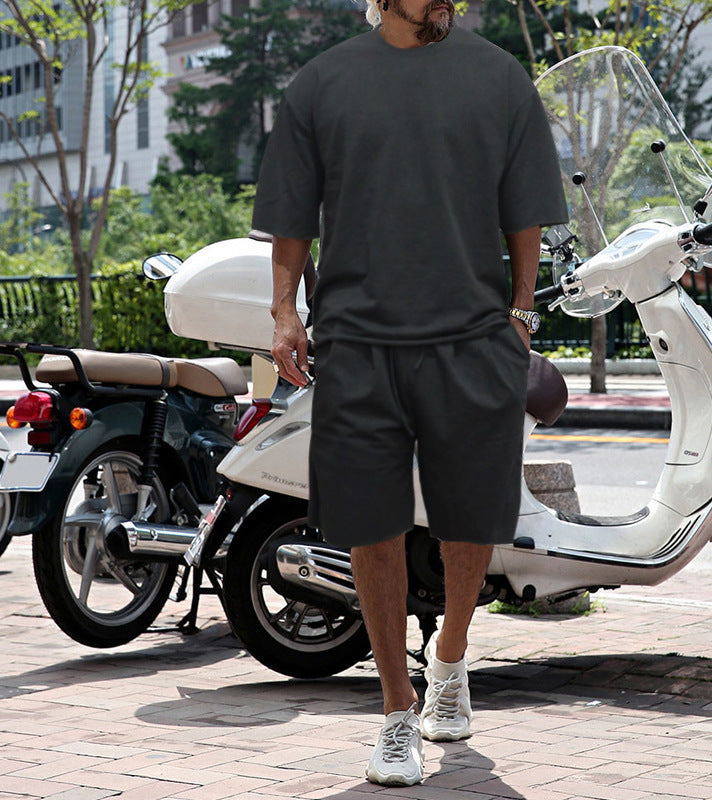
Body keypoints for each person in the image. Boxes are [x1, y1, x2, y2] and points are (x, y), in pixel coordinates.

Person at [251, 0, 567, 786]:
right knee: (370, 522)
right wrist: (285, 311)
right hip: (357, 341)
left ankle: (450, 657)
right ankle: (397, 712)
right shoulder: (322, 84)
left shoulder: (498, 78)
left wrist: (521, 311)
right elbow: (291, 214)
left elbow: (526, 206)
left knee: (471, 517)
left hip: (471, 336)